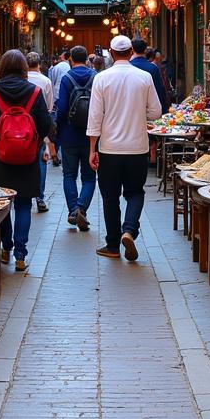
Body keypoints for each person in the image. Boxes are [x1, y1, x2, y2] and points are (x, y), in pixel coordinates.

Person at [0, 50, 55, 271]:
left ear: (1, 68)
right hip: (28, 157)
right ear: (23, 68)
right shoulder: (35, 92)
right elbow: (46, 124)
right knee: (24, 204)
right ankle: (21, 254)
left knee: (3, 205)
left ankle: (6, 247)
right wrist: (41, 141)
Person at [88, 33, 161, 261]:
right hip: (137, 148)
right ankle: (129, 231)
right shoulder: (144, 77)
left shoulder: (101, 78)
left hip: (109, 149)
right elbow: (156, 112)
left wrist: (93, 149)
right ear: (131, 52)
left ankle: (112, 245)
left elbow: (95, 117)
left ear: (111, 53)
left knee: (110, 197)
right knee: (135, 192)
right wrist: (140, 115)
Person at [55, 45, 96, 231]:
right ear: (87, 59)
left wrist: (59, 129)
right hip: (91, 136)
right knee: (89, 177)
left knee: (69, 175)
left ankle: (73, 210)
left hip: (69, 135)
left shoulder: (66, 79)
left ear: (71, 59)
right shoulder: (96, 77)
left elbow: (62, 109)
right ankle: (81, 208)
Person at [25, 51, 55, 213]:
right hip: (38, 127)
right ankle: (40, 197)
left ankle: (22, 193)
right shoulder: (45, 81)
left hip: (21, 127)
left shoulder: (22, 80)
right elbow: (49, 108)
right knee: (40, 161)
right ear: (39, 64)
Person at [130, 36, 169, 113]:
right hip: (149, 110)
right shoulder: (153, 68)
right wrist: (163, 110)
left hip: (132, 109)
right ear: (145, 50)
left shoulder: (129, 66)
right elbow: (159, 91)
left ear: (132, 50)